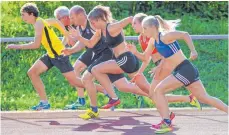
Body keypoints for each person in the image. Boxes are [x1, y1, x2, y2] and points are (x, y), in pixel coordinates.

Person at [141, 15, 228, 134]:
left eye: (145, 28)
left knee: (158, 90)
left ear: (153, 27)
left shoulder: (166, 36)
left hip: (185, 69)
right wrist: (133, 52)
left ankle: (166, 122)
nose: (143, 31)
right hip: (183, 71)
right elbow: (145, 57)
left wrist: (193, 50)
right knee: (205, 98)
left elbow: (185, 34)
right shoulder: (153, 41)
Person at [69, 5, 151, 114]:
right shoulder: (100, 31)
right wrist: (78, 36)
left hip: (126, 59)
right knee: (127, 87)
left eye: (93, 23)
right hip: (120, 60)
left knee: (95, 69)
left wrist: (144, 29)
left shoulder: (111, 27)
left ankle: (113, 97)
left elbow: (130, 19)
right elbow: (90, 43)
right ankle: (157, 98)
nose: (92, 26)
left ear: (99, 20)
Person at [6, 3, 88, 110]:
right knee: (32, 72)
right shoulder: (43, 22)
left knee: (75, 80)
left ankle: (105, 91)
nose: (22, 17)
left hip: (66, 54)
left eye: (23, 15)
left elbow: (36, 45)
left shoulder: (42, 23)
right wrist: (66, 36)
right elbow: (55, 22)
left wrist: (16, 46)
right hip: (52, 54)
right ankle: (45, 102)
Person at [128, 13, 202, 128]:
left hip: (165, 64)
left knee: (155, 93)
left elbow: (166, 53)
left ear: (144, 24)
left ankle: (167, 117)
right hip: (158, 65)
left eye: (135, 23)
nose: (132, 26)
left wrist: (160, 66)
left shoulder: (155, 36)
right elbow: (146, 58)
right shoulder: (142, 38)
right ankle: (178, 106)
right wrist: (139, 72)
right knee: (154, 94)